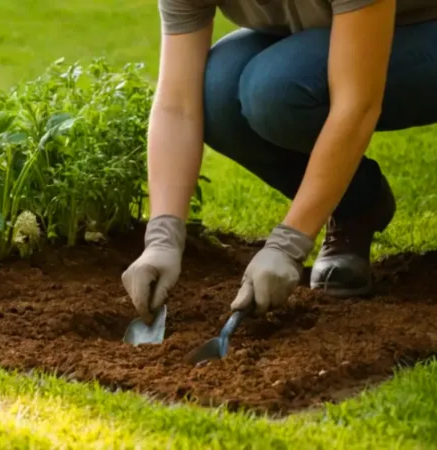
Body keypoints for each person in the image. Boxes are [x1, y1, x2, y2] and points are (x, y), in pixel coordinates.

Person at [121, 0, 437, 324]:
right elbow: (178, 105)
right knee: (215, 89)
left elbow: (356, 106)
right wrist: (162, 239)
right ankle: (357, 204)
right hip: (333, 29)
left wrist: (288, 244)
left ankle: (335, 207)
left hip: (424, 26)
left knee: (275, 89)